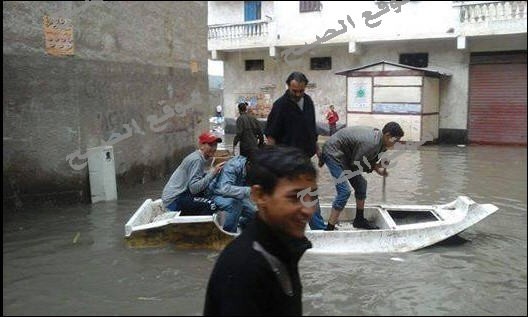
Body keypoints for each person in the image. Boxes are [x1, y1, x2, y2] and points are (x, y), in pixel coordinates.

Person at [204, 146, 316, 315]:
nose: (308, 209)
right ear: (260, 195)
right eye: (294, 197)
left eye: (311, 196)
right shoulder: (244, 267)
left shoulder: (283, 251)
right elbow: (223, 189)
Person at [264, 71, 325, 230]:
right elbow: (271, 135)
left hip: (305, 157)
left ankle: (317, 227)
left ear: (305, 88)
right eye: (294, 91)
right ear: (288, 87)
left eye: (301, 91)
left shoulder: (309, 102)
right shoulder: (280, 105)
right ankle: (283, 226)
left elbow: (311, 129)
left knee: (309, 192)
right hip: (286, 161)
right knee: (290, 193)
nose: (298, 94)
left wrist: (318, 150)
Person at [319, 122, 404, 230]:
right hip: (333, 153)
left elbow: (370, 162)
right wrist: (375, 166)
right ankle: (330, 227)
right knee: (344, 191)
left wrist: (379, 169)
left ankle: (359, 220)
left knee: (361, 185)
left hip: (348, 156)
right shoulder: (372, 143)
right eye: (395, 140)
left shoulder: (383, 144)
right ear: (387, 135)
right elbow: (357, 164)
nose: (395, 144)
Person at [161, 132, 225, 215]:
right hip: (174, 200)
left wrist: (210, 173)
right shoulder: (197, 160)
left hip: (179, 195)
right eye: (210, 145)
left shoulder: (198, 157)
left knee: (208, 192)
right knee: (212, 205)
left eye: (215, 145)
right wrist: (212, 173)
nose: (214, 148)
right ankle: (199, 227)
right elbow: (194, 189)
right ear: (201, 145)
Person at [207, 154, 256, 233]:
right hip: (215, 193)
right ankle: (228, 235)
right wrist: (249, 190)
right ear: (249, 164)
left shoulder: (251, 169)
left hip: (233, 195)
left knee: (255, 213)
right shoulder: (233, 166)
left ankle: (242, 223)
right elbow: (224, 189)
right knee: (235, 205)